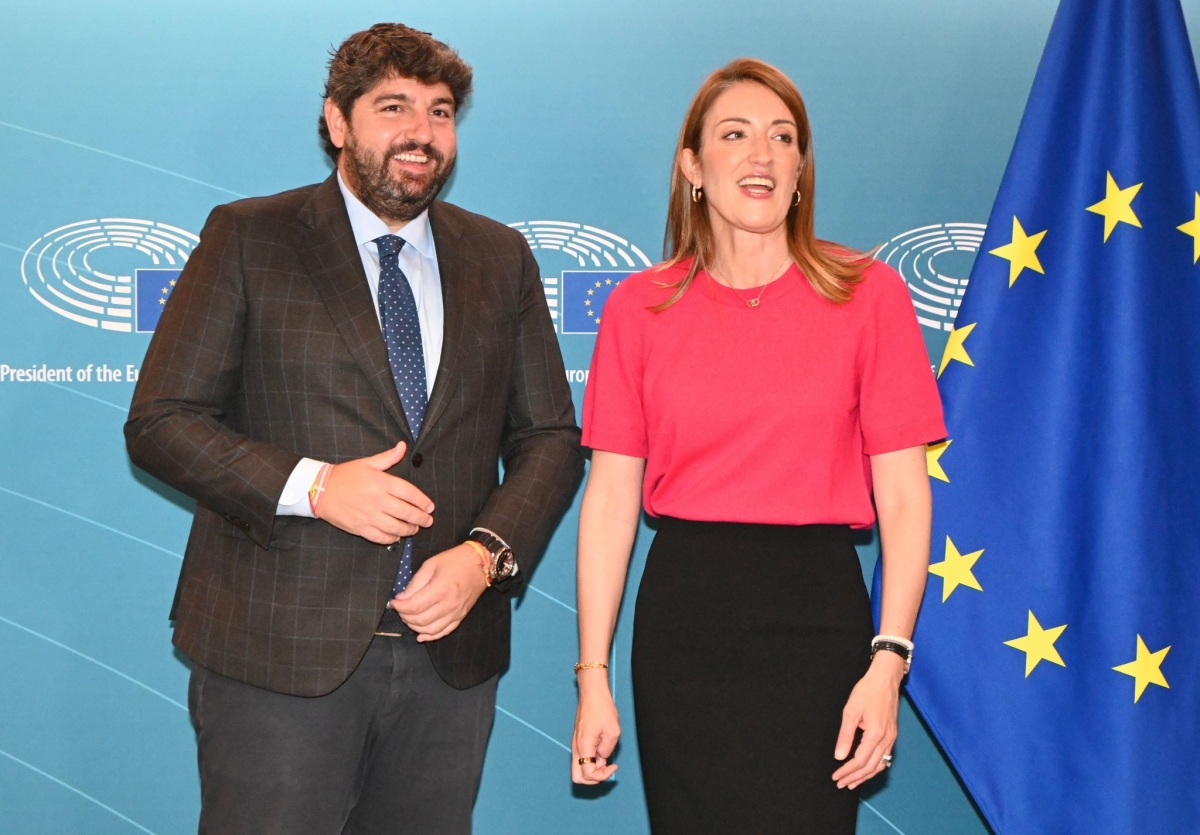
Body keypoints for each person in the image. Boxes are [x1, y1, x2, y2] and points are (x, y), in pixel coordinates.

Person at [125, 23, 583, 835]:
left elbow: (549, 435)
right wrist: (317, 486)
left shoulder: (500, 257)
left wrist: (484, 557)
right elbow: (162, 421)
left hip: (450, 658)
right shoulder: (250, 237)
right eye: (394, 107)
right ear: (338, 121)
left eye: (440, 113)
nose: (421, 133)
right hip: (278, 654)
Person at [570, 58, 945, 834]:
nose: (762, 154)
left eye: (782, 137)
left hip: (820, 617)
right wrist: (593, 675)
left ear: (801, 167)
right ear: (692, 166)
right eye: (735, 134)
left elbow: (906, 498)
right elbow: (608, 501)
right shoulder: (637, 308)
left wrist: (888, 661)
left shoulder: (869, 294)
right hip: (685, 621)